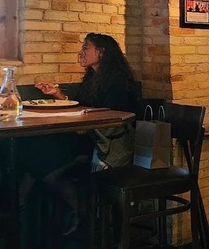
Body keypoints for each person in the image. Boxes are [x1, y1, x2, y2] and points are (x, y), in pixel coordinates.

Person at [31, 33, 139, 234]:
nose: (81, 52)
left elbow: (115, 120)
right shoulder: (93, 78)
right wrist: (57, 94)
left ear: (102, 51)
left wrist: (86, 125)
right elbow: (81, 106)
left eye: (86, 47)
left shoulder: (117, 82)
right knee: (37, 153)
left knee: (41, 159)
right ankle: (77, 207)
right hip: (89, 139)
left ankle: (79, 210)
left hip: (106, 145)